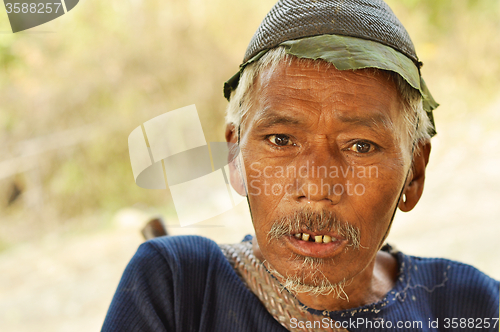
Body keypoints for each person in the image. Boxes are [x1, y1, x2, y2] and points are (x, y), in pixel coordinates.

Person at [102, 1, 499, 331]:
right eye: (281, 140)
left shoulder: (471, 304)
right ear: (236, 158)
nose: (316, 187)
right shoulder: (177, 286)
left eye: (360, 146)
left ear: (414, 173)